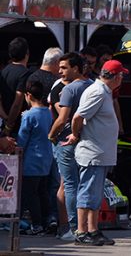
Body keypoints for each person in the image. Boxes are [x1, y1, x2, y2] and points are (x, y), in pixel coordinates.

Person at [68, 59, 127, 246]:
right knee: (87, 191)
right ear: (116, 77)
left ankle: (92, 230)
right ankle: (82, 230)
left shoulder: (104, 92)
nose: (122, 79)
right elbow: (78, 117)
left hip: (100, 153)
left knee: (94, 193)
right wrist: (76, 134)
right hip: (92, 152)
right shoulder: (98, 92)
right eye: (121, 75)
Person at [48, 52, 91, 240]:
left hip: (66, 141)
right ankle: (85, 226)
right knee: (82, 184)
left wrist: (51, 135)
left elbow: (62, 118)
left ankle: (73, 228)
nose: (60, 71)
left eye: (64, 67)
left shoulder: (69, 89)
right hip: (87, 141)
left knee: (68, 185)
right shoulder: (92, 86)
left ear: (76, 68)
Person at [17, 79, 54, 234]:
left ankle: (36, 225)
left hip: (31, 161)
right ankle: (48, 221)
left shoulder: (29, 116)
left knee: (31, 195)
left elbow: (22, 139)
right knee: (42, 192)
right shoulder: (48, 113)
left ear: (28, 95)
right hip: (46, 159)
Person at [1, 35, 31, 135]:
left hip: (3, 120)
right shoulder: (25, 73)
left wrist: (5, 117)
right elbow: (17, 102)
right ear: (27, 53)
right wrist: (9, 124)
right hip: (18, 124)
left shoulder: (3, 71)